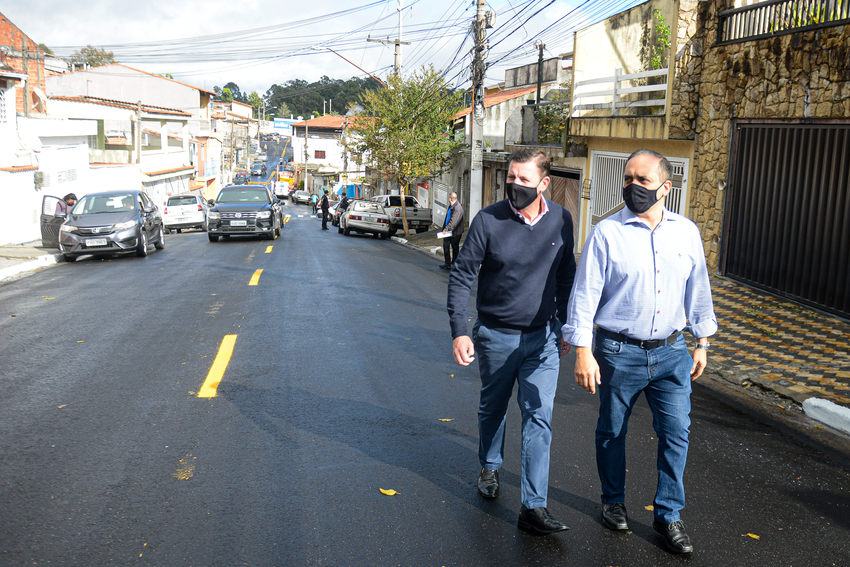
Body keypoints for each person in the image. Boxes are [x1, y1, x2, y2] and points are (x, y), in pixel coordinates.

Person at [561, 149, 717, 554]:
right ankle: (613, 501)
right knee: (612, 430)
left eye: (642, 180)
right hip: (617, 351)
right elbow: (584, 297)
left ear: (666, 188)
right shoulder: (606, 233)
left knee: (676, 432)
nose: (632, 186)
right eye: (628, 178)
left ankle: (669, 514)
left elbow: (698, 289)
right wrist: (583, 351)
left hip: (672, 353)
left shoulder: (686, 232)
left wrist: (702, 341)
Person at [447, 148, 576, 535]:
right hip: (496, 336)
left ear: (544, 183)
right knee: (494, 407)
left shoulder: (562, 220)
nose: (515, 185)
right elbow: (461, 276)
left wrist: (566, 323)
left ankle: (533, 507)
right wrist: (459, 330)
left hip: (543, 339)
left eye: (524, 179)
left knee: (539, 416)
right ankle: (490, 465)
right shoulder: (489, 220)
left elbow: (568, 273)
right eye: (511, 177)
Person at [439, 192, 464, 270]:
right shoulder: (452, 206)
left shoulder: (457, 208)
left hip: (455, 232)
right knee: (446, 246)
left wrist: (446, 229)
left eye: (448, 198)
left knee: (454, 247)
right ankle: (447, 263)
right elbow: (448, 218)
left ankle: (454, 263)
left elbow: (453, 221)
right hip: (448, 231)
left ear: (450, 199)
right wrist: (444, 228)